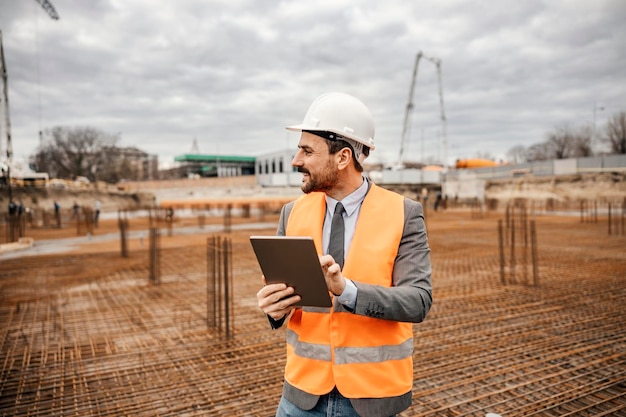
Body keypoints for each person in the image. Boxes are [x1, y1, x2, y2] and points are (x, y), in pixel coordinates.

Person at [256, 92, 433, 417]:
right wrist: (274, 309)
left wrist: (345, 290)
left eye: (307, 150)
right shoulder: (291, 213)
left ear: (343, 157)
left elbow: (418, 301)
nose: (296, 160)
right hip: (300, 396)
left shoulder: (404, 213)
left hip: (372, 398)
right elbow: (284, 299)